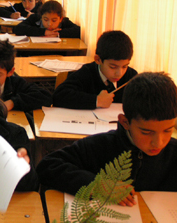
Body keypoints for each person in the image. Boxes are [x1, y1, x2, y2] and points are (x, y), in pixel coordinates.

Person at [36, 72, 177, 206]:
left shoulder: (173, 152)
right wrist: (97, 185)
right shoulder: (101, 146)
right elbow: (47, 166)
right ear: (125, 122)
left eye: (168, 130)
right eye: (146, 132)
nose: (159, 142)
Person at [52, 30, 138, 109]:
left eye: (125, 66)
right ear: (98, 59)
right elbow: (59, 96)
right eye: (113, 67)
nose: (119, 73)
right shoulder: (87, 72)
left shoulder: (131, 77)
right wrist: (96, 101)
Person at [13, 0, 80, 38]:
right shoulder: (35, 18)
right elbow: (17, 28)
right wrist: (44, 32)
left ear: (60, 19)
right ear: (41, 16)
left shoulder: (64, 22)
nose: (49, 24)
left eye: (54, 20)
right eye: (45, 19)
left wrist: (58, 33)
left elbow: (78, 31)